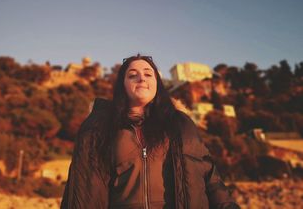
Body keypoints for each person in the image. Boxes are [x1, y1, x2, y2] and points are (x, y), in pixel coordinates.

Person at [61, 54, 240, 209]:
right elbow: (81, 189)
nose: (142, 78)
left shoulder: (180, 124)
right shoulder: (99, 128)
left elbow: (210, 178)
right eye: (133, 75)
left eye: (148, 74)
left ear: (157, 84)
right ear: (122, 85)